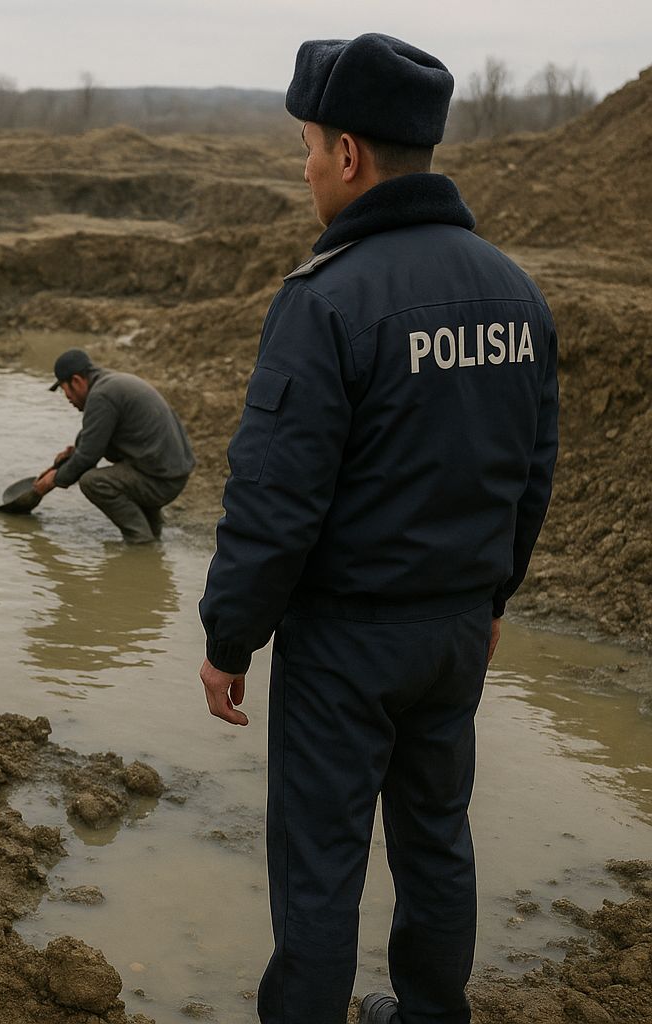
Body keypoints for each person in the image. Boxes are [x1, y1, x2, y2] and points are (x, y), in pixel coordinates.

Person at [196, 34, 558, 1024]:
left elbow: (274, 499)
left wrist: (230, 637)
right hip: (456, 633)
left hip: (346, 644)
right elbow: (532, 473)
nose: (305, 167)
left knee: (320, 863)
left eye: (308, 146)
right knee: (437, 839)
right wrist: (493, 598)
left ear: (348, 154)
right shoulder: (515, 293)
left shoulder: (327, 299)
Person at [31, 348, 195, 543]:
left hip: (161, 479)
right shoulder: (109, 384)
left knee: (93, 482)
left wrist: (53, 481)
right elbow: (93, 436)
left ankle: (140, 541)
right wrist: (72, 455)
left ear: (76, 381)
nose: (67, 398)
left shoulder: (101, 396)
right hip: (170, 470)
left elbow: (88, 458)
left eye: (64, 389)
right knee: (116, 475)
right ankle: (152, 539)